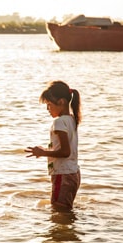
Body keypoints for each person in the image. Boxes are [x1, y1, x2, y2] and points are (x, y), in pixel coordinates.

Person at [25, 80, 82, 211]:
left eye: (49, 105)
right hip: (73, 173)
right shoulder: (72, 119)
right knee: (65, 210)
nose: (47, 109)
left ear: (61, 102)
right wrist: (46, 150)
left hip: (63, 175)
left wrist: (43, 153)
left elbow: (65, 152)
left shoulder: (59, 122)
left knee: (59, 212)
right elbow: (65, 150)